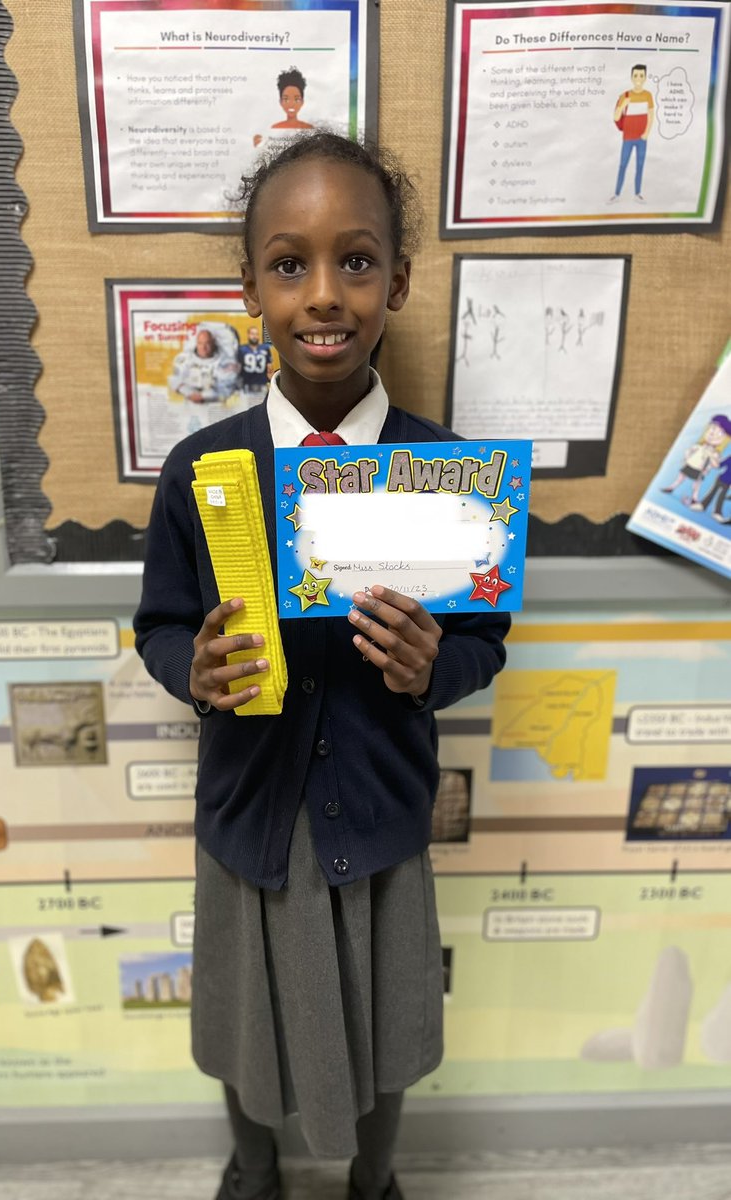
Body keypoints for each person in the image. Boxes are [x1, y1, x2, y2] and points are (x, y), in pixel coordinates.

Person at [133, 131, 511, 1200]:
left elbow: (485, 640)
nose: (325, 295)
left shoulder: (449, 474)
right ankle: (251, 1173)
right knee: (247, 1029)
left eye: (356, 260)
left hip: (384, 813)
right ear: (249, 286)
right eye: (289, 264)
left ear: (399, 276)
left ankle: (374, 1181)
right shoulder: (204, 470)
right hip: (253, 816)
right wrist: (190, 667)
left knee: (389, 1029)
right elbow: (158, 623)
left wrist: (433, 665)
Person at [660, 414, 731, 506]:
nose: (712, 433)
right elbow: (689, 452)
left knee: (696, 484)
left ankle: (694, 498)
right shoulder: (699, 446)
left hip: (700, 469)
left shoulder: (715, 453)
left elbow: (715, 465)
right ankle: (671, 488)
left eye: (719, 433)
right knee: (680, 477)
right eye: (712, 429)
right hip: (691, 464)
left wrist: (710, 460)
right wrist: (686, 458)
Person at [608, 64, 654, 204]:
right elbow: (616, 117)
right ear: (631, 77)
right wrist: (623, 105)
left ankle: (638, 194)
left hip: (642, 138)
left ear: (645, 77)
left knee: (640, 165)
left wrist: (646, 133)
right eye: (635, 76)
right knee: (623, 165)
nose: (638, 79)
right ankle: (617, 194)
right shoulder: (625, 95)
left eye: (641, 75)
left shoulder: (648, 95)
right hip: (627, 138)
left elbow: (651, 116)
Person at [169, 326, 241, 405]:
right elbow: (174, 380)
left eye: (207, 343)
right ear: (196, 343)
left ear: (213, 343)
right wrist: (189, 393)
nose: (203, 347)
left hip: (216, 406)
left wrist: (203, 396)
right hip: (188, 406)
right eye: (200, 343)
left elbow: (226, 389)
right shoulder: (184, 359)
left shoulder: (226, 362)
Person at [253, 67, 314, 147]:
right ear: (280, 101)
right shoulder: (274, 128)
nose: (291, 104)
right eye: (286, 99)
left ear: (302, 102)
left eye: (296, 99)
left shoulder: (309, 128)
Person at [237, 325, 275, 396]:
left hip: (262, 387)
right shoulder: (241, 350)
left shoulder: (265, 349)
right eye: (252, 334)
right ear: (248, 335)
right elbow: (237, 369)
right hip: (246, 388)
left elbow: (270, 369)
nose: (254, 336)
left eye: (256, 334)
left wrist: (271, 382)